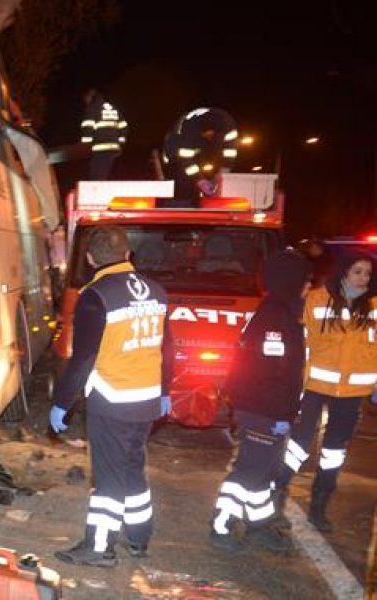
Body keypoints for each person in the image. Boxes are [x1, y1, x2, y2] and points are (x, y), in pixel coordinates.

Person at [50, 225, 170, 568]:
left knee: (108, 479)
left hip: (113, 401)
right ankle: (139, 537)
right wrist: (166, 391)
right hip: (146, 400)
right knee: (132, 468)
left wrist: (62, 402)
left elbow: (84, 358)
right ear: (128, 254)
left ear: (90, 259)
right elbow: (168, 347)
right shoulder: (157, 291)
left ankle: (99, 548)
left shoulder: (96, 295)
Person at [209, 249, 312, 553]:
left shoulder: (282, 314)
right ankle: (221, 524)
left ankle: (257, 525)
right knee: (250, 471)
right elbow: (272, 375)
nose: (308, 287)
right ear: (291, 282)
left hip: (269, 410)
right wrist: (280, 413)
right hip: (263, 410)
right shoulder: (276, 319)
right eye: (305, 281)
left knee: (265, 471)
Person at [273, 251, 377, 532]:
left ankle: (319, 504)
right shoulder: (316, 299)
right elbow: (300, 341)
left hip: (353, 392)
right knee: (298, 444)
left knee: (335, 451)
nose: (363, 278)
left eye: (367, 273)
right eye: (357, 271)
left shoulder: (375, 307)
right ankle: (276, 494)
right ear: (343, 272)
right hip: (313, 386)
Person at [162, 107, 238, 208]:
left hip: (201, 147)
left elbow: (230, 152)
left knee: (212, 173)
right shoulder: (189, 130)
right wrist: (199, 179)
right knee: (184, 180)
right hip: (175, 148)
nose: (208, 137)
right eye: (206, 135)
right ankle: (183, 203)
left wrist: (223, 173)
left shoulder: (228, 125)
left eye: (211, 135)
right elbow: (186, 160)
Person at [79, 89, 127, 181]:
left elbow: (87, 127)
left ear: (90, 98)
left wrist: (85, 146)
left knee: (95, 174)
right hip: (113, 148)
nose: (86, 102)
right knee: (103, 173)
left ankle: (95, 192)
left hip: (99, 148)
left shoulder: (92, 108)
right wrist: (120, 143)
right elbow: (124, 127)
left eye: (86, 100)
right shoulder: (113, 108)